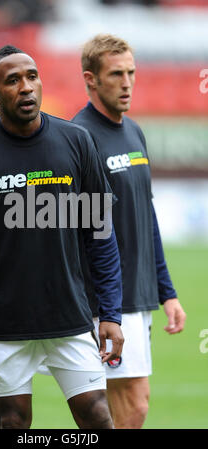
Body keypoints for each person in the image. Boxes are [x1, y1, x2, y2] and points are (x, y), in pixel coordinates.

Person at [0, 44, 125, 429]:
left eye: (32, 76)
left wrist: (112, 313)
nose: (25, 87)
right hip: (4, 324)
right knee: (13, 421)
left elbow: (100, 235)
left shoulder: (76, 142)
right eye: (12, 80)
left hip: (70, 316)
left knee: (98, 417)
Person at [72, 33, 186, 429]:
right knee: (125, 407)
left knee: (124, 409)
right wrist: (100, 304)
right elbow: (71, 228)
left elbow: (145, 216)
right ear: (91, 79)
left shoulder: (135, 132)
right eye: (116, 74)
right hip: (105, 299)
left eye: (131, 73)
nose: (127, 82)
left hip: (139, 294)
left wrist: (166, 291)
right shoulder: (78, 139)